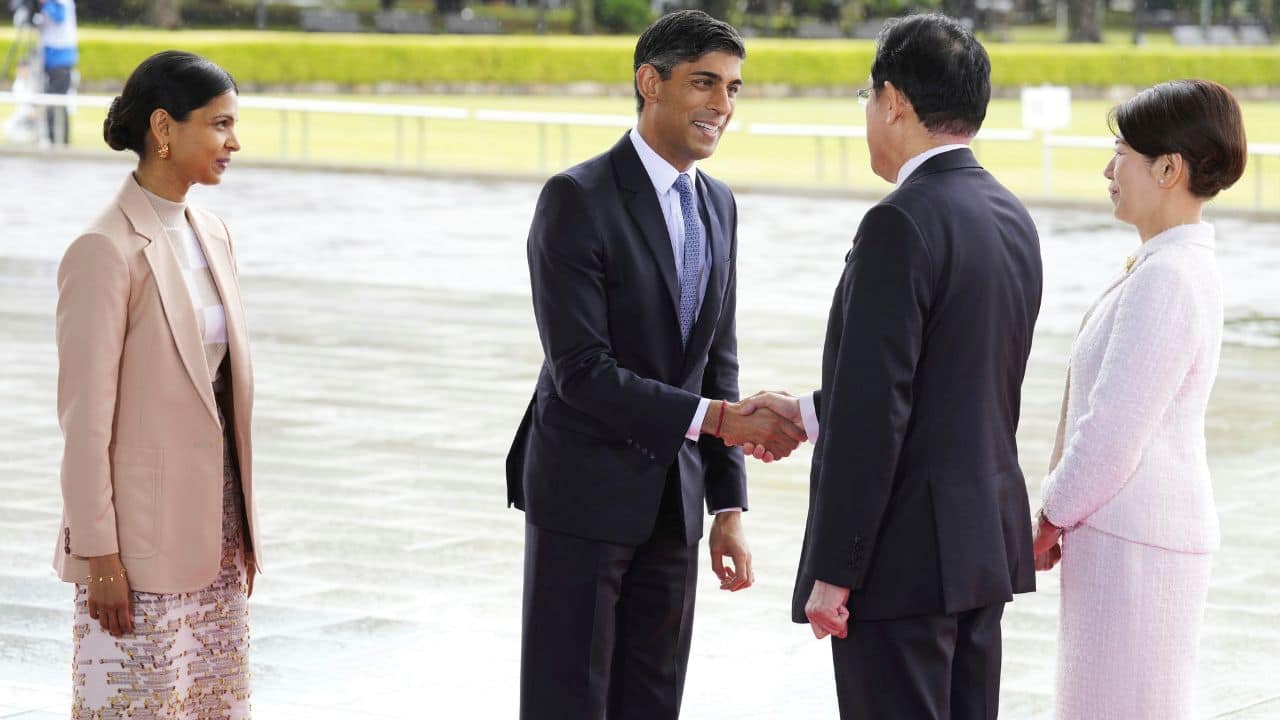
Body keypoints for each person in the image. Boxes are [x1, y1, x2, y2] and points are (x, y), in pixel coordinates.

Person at [505, 10, 805, 720]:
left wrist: (727, 506)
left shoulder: (719, 204)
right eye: (705, 83)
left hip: (676, 506)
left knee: (653, 702)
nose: (723, 106)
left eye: (734, 89)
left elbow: (715, 361)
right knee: (569, 703)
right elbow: (581, 369)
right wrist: (722, 420)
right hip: (584, 495)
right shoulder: (576, 198)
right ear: (650, 82)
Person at [741, 13, 1043, 719]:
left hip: (903, 563)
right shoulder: (1009, 214)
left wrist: (835, 572)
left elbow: (882, 412)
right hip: (979, 551)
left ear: (894, 102)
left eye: (868, 99)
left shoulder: (899, 221)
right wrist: (812, 412)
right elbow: (953, 377)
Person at [1031, 79, 1247, 719]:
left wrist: (1047, 517)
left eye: (1120, 151)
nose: (1108, 168)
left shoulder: (1170, 277)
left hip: (1136, 544)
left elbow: (1111, 432)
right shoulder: (1163, 266)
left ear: (1169, 169)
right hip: (1126, 537)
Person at [52, 50, 258, 719]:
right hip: (135, 549)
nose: (234, 141)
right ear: (164, 129)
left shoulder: (213, 233)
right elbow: (84, 426)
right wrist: (100, 556)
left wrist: (244, 532)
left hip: (215, 535)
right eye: (219, 124)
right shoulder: (104, 249)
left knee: (209, 706)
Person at [35, 0, 76, 144]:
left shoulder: (60, 3)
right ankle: (53, 138)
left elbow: (59, 17)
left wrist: (47, 4)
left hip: (61, 57)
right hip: (49, 57)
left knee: (57, 100)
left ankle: (59, 140)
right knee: (50, 99)